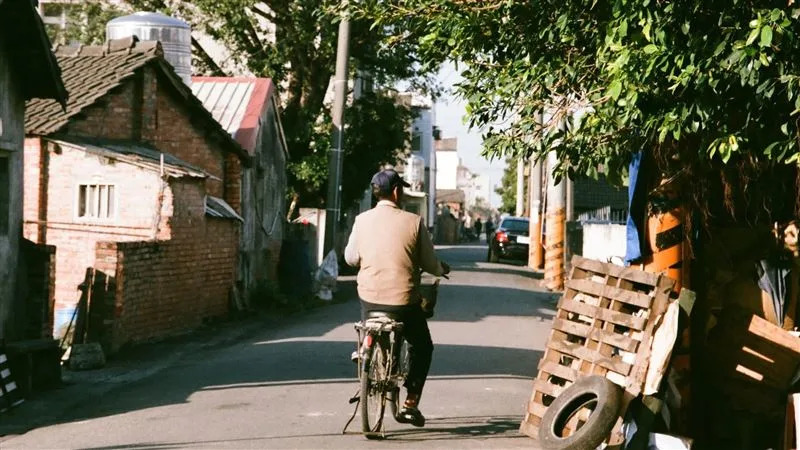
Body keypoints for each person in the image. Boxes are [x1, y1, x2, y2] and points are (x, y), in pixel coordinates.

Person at [345, 169, 450, 428]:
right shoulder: (413, 222)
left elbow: (350, 258)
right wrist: (441, 269)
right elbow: (429, 263)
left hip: (369, 298)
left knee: (369, 311)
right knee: (423, 346)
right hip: (403, 301)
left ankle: (366, 350)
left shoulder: (361, 220)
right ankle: (410, 404)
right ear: (396, 192)